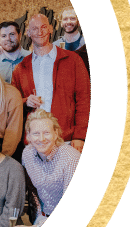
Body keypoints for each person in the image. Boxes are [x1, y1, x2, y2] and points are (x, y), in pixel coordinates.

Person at [11, 14, 91, 153]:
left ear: (51, 29)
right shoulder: (20, 68)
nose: (40, 32)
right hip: (34, 141)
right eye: (35, 28)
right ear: (28, 32)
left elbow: (84, 100)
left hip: (66, 140)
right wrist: (25, 101)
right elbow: (13, 103)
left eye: (43, 27)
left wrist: (80, 136)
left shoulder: (73, 60)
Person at [8, 109, 81, 227]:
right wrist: (38, 220)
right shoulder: (27, 154)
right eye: (36, 133)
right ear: (28, 136)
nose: (41, 139)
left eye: (46, 133)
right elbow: (33, 192)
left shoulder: (71, 158)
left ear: (56, 134)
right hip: (42, 219)